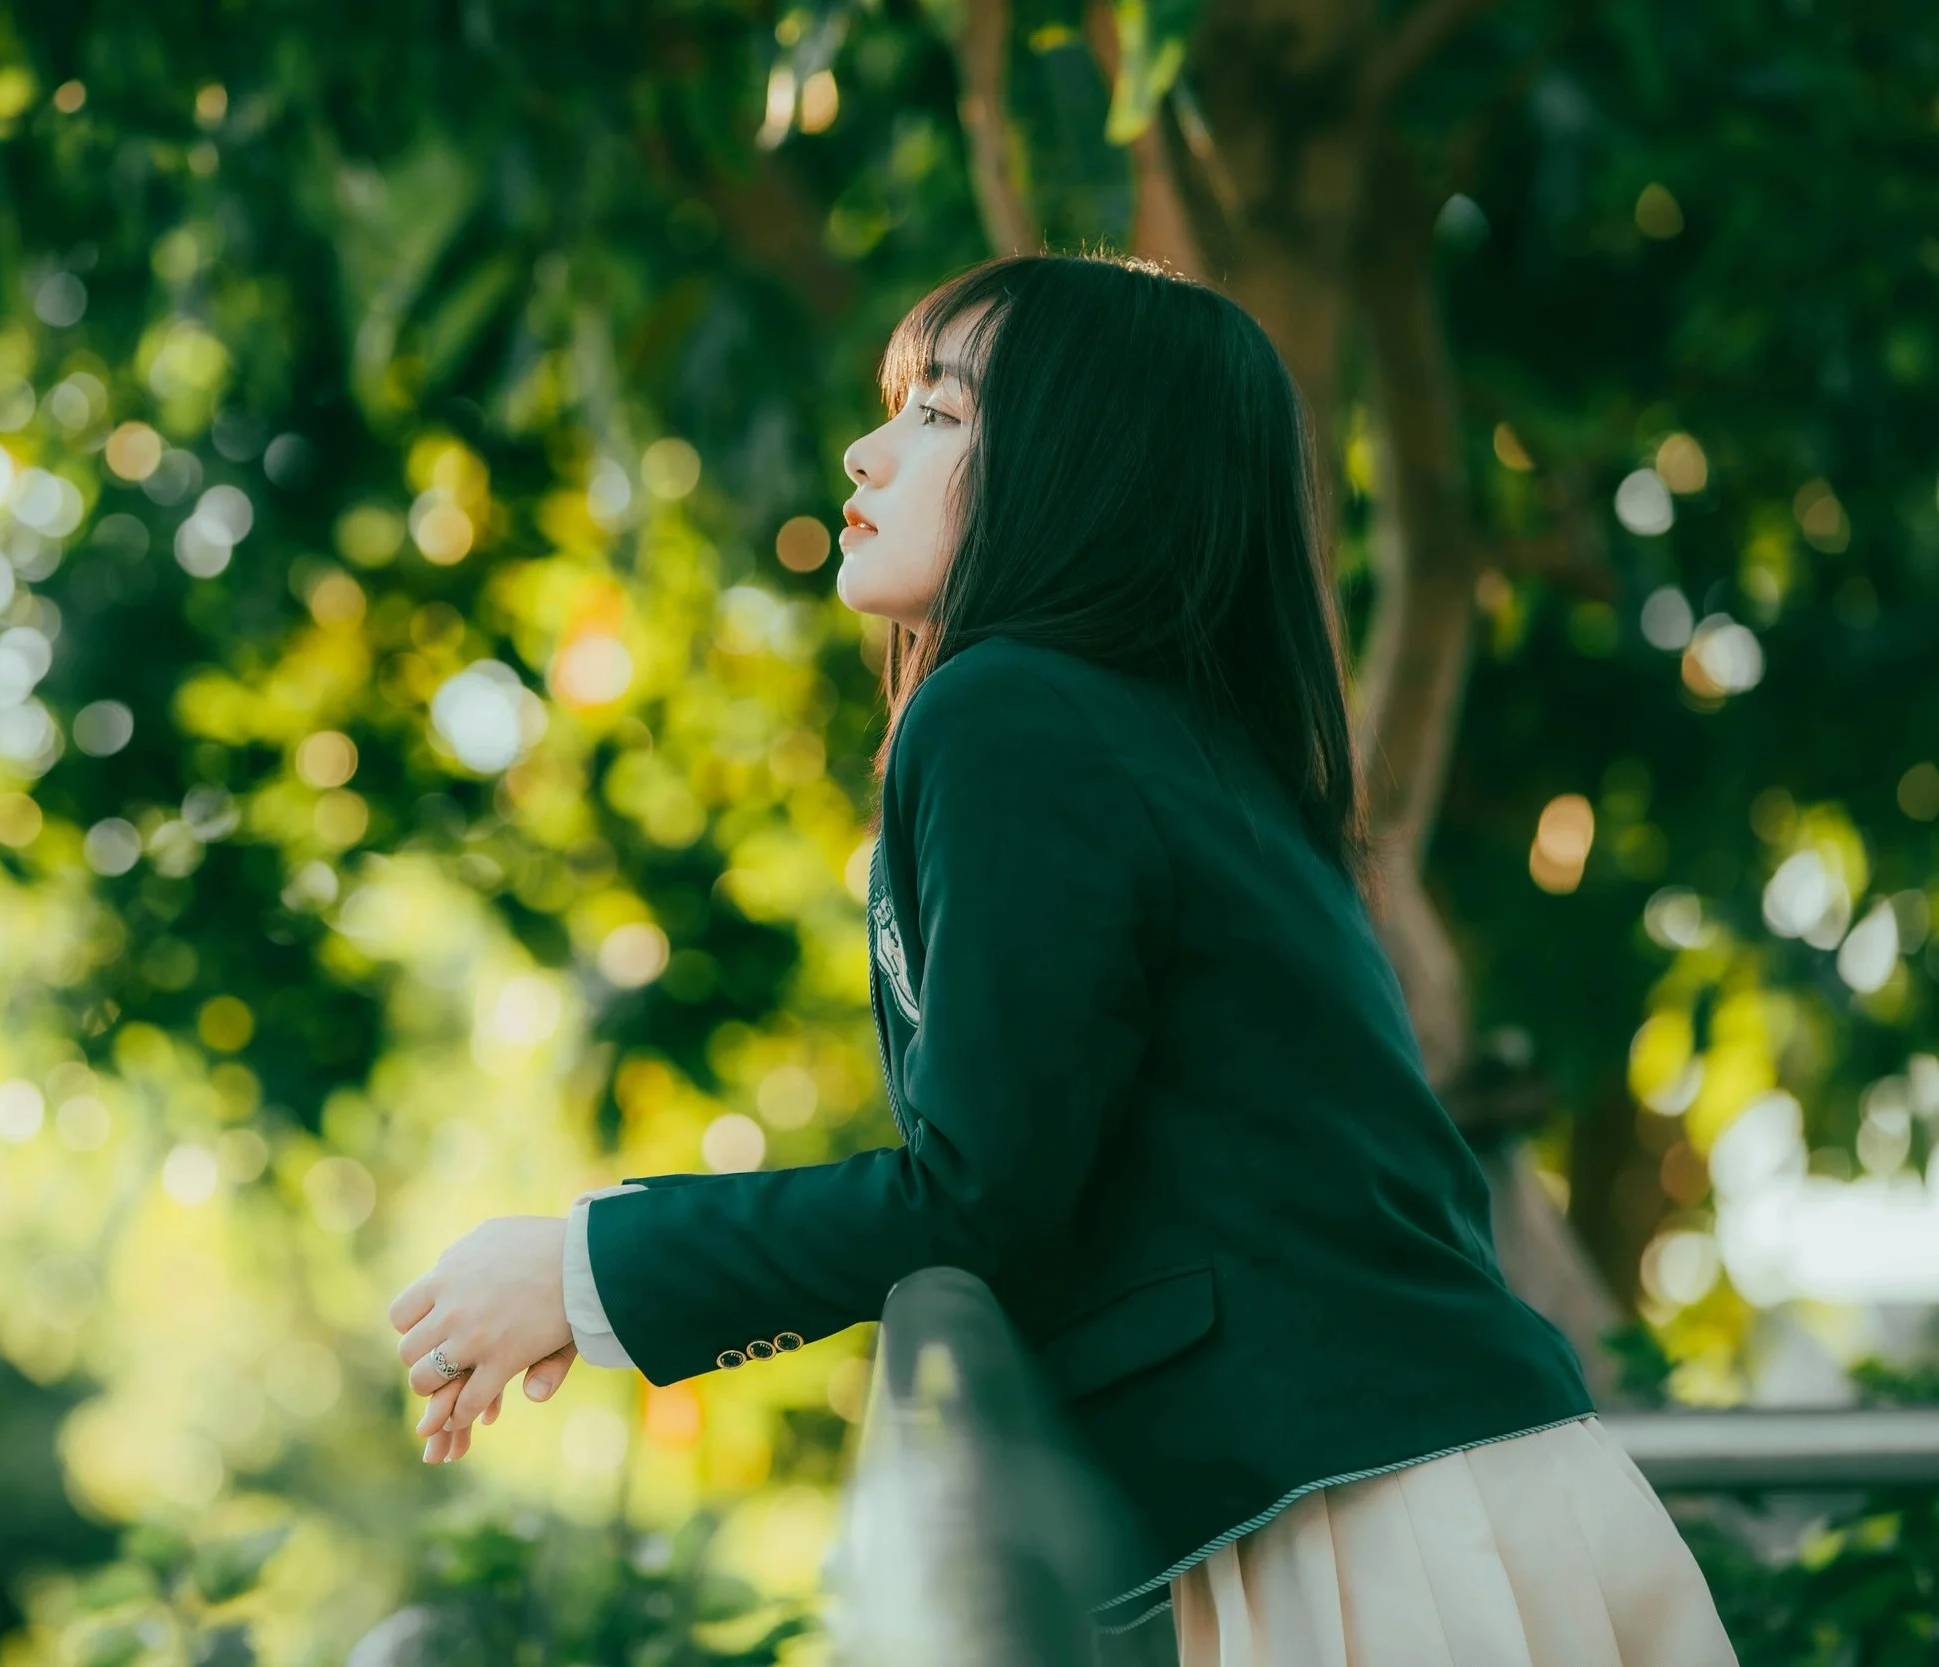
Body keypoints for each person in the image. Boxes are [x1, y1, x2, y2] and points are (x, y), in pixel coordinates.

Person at [385, 253, 1736, 1664]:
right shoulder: (1191, 748)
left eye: (944, 417)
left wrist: (583, 1267)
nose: (866, 448)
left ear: (1089, 471)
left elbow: (981, 1193)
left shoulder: (1011, 712)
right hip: (1465, 1488)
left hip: (1379, 1522)